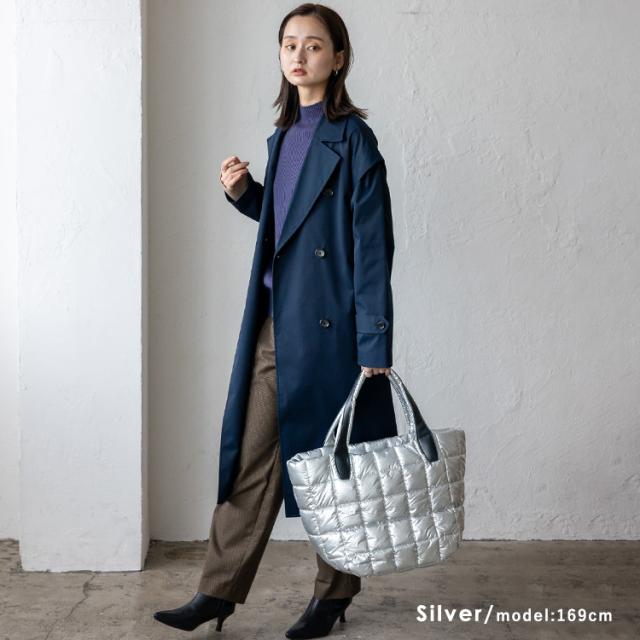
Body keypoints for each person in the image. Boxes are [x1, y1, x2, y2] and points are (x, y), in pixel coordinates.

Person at [154, 3, 398, 637]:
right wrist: (246, 196)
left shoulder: (354, 140)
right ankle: (217, 591)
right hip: (275, 324)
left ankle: (333, 596)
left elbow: (373, 246)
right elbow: (289, 227)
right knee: (251, 459)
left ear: (338, 59)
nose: (299, 55)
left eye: (314, 45)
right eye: (290, 43)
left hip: (332, 333)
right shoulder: (285, 136)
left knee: (331, 467)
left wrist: (374, 340)